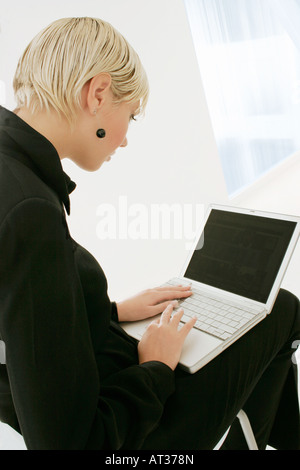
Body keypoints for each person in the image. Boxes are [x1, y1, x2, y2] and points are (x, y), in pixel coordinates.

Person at [0, 17, 299, 451]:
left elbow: (20, 319)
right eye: (131, 115)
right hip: (131, 430)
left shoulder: (12, 172)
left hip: (101, 374)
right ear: (98, 94)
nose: (123, 140)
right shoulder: (30, 211)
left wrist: (110, 310)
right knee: (283, 310)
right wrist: (156, 368)